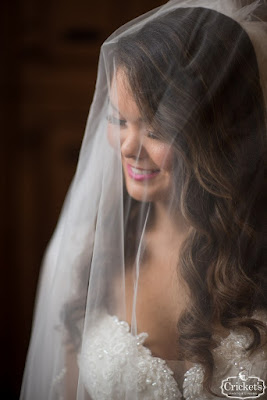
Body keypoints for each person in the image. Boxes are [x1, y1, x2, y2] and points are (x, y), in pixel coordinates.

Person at [20, 0, 267, 399]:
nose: (129, 148)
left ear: (220, 134)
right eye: (118, 121)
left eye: (156, 130)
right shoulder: (86, 257)